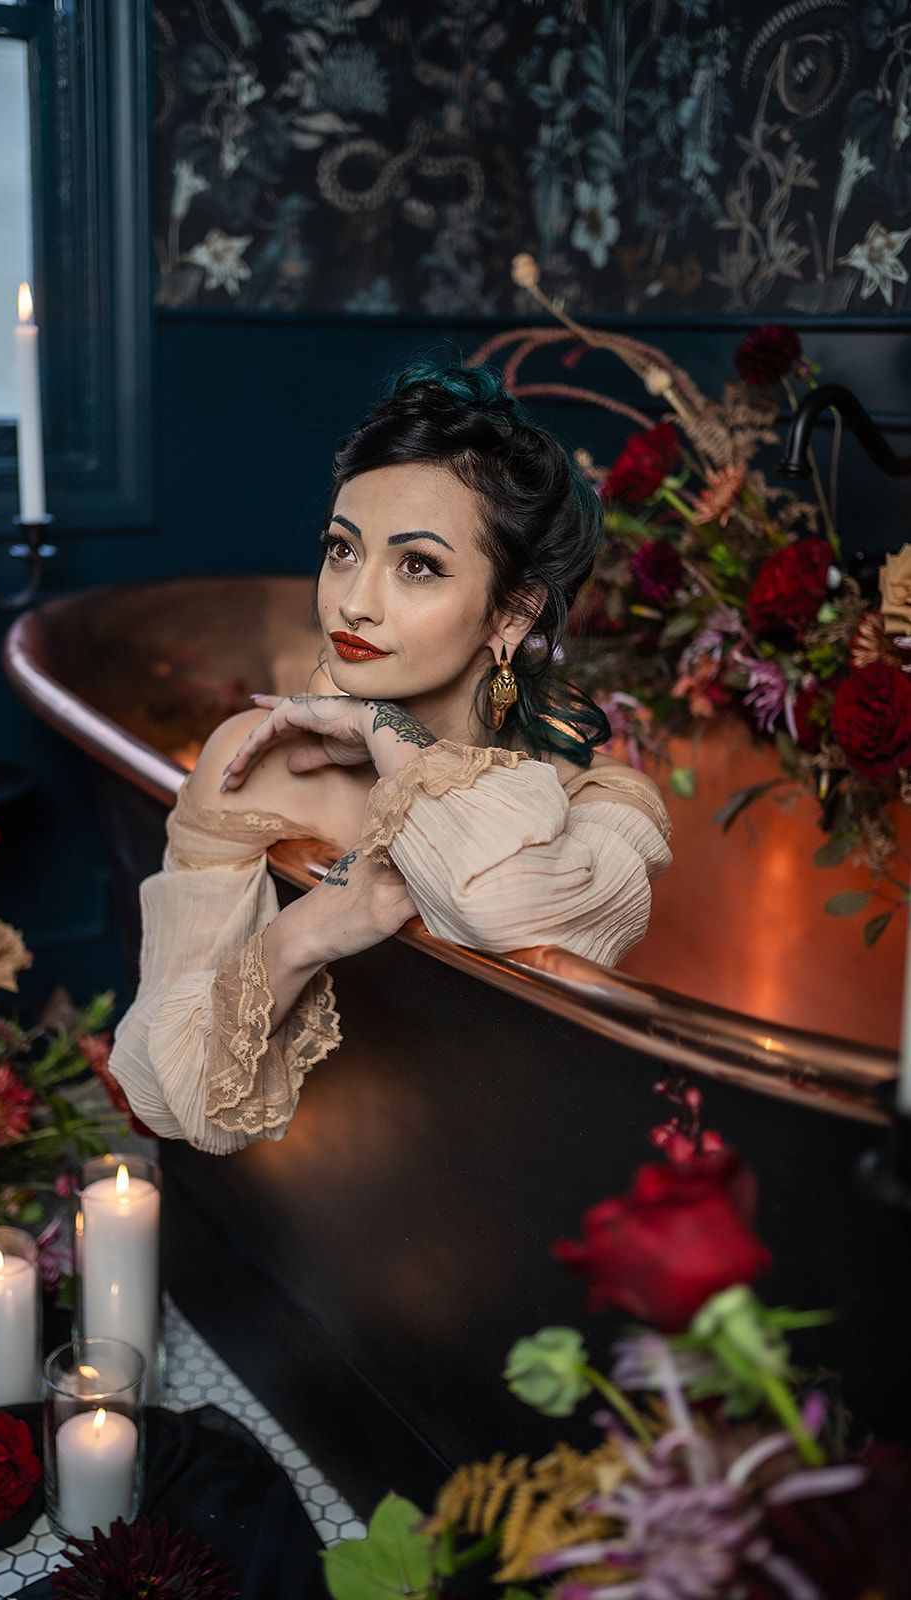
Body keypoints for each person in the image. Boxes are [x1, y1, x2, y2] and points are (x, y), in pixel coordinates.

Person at [108, 361, 672, 1153]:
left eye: (417, 565)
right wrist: (310, 930)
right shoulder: (255, 766)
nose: (353, 600)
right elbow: (161, 1093)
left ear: (511, 614)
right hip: (325, 1201)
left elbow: (501, 902)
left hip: (536, 1184)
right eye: (342, 550)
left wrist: (387, 731)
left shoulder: (602, 796)